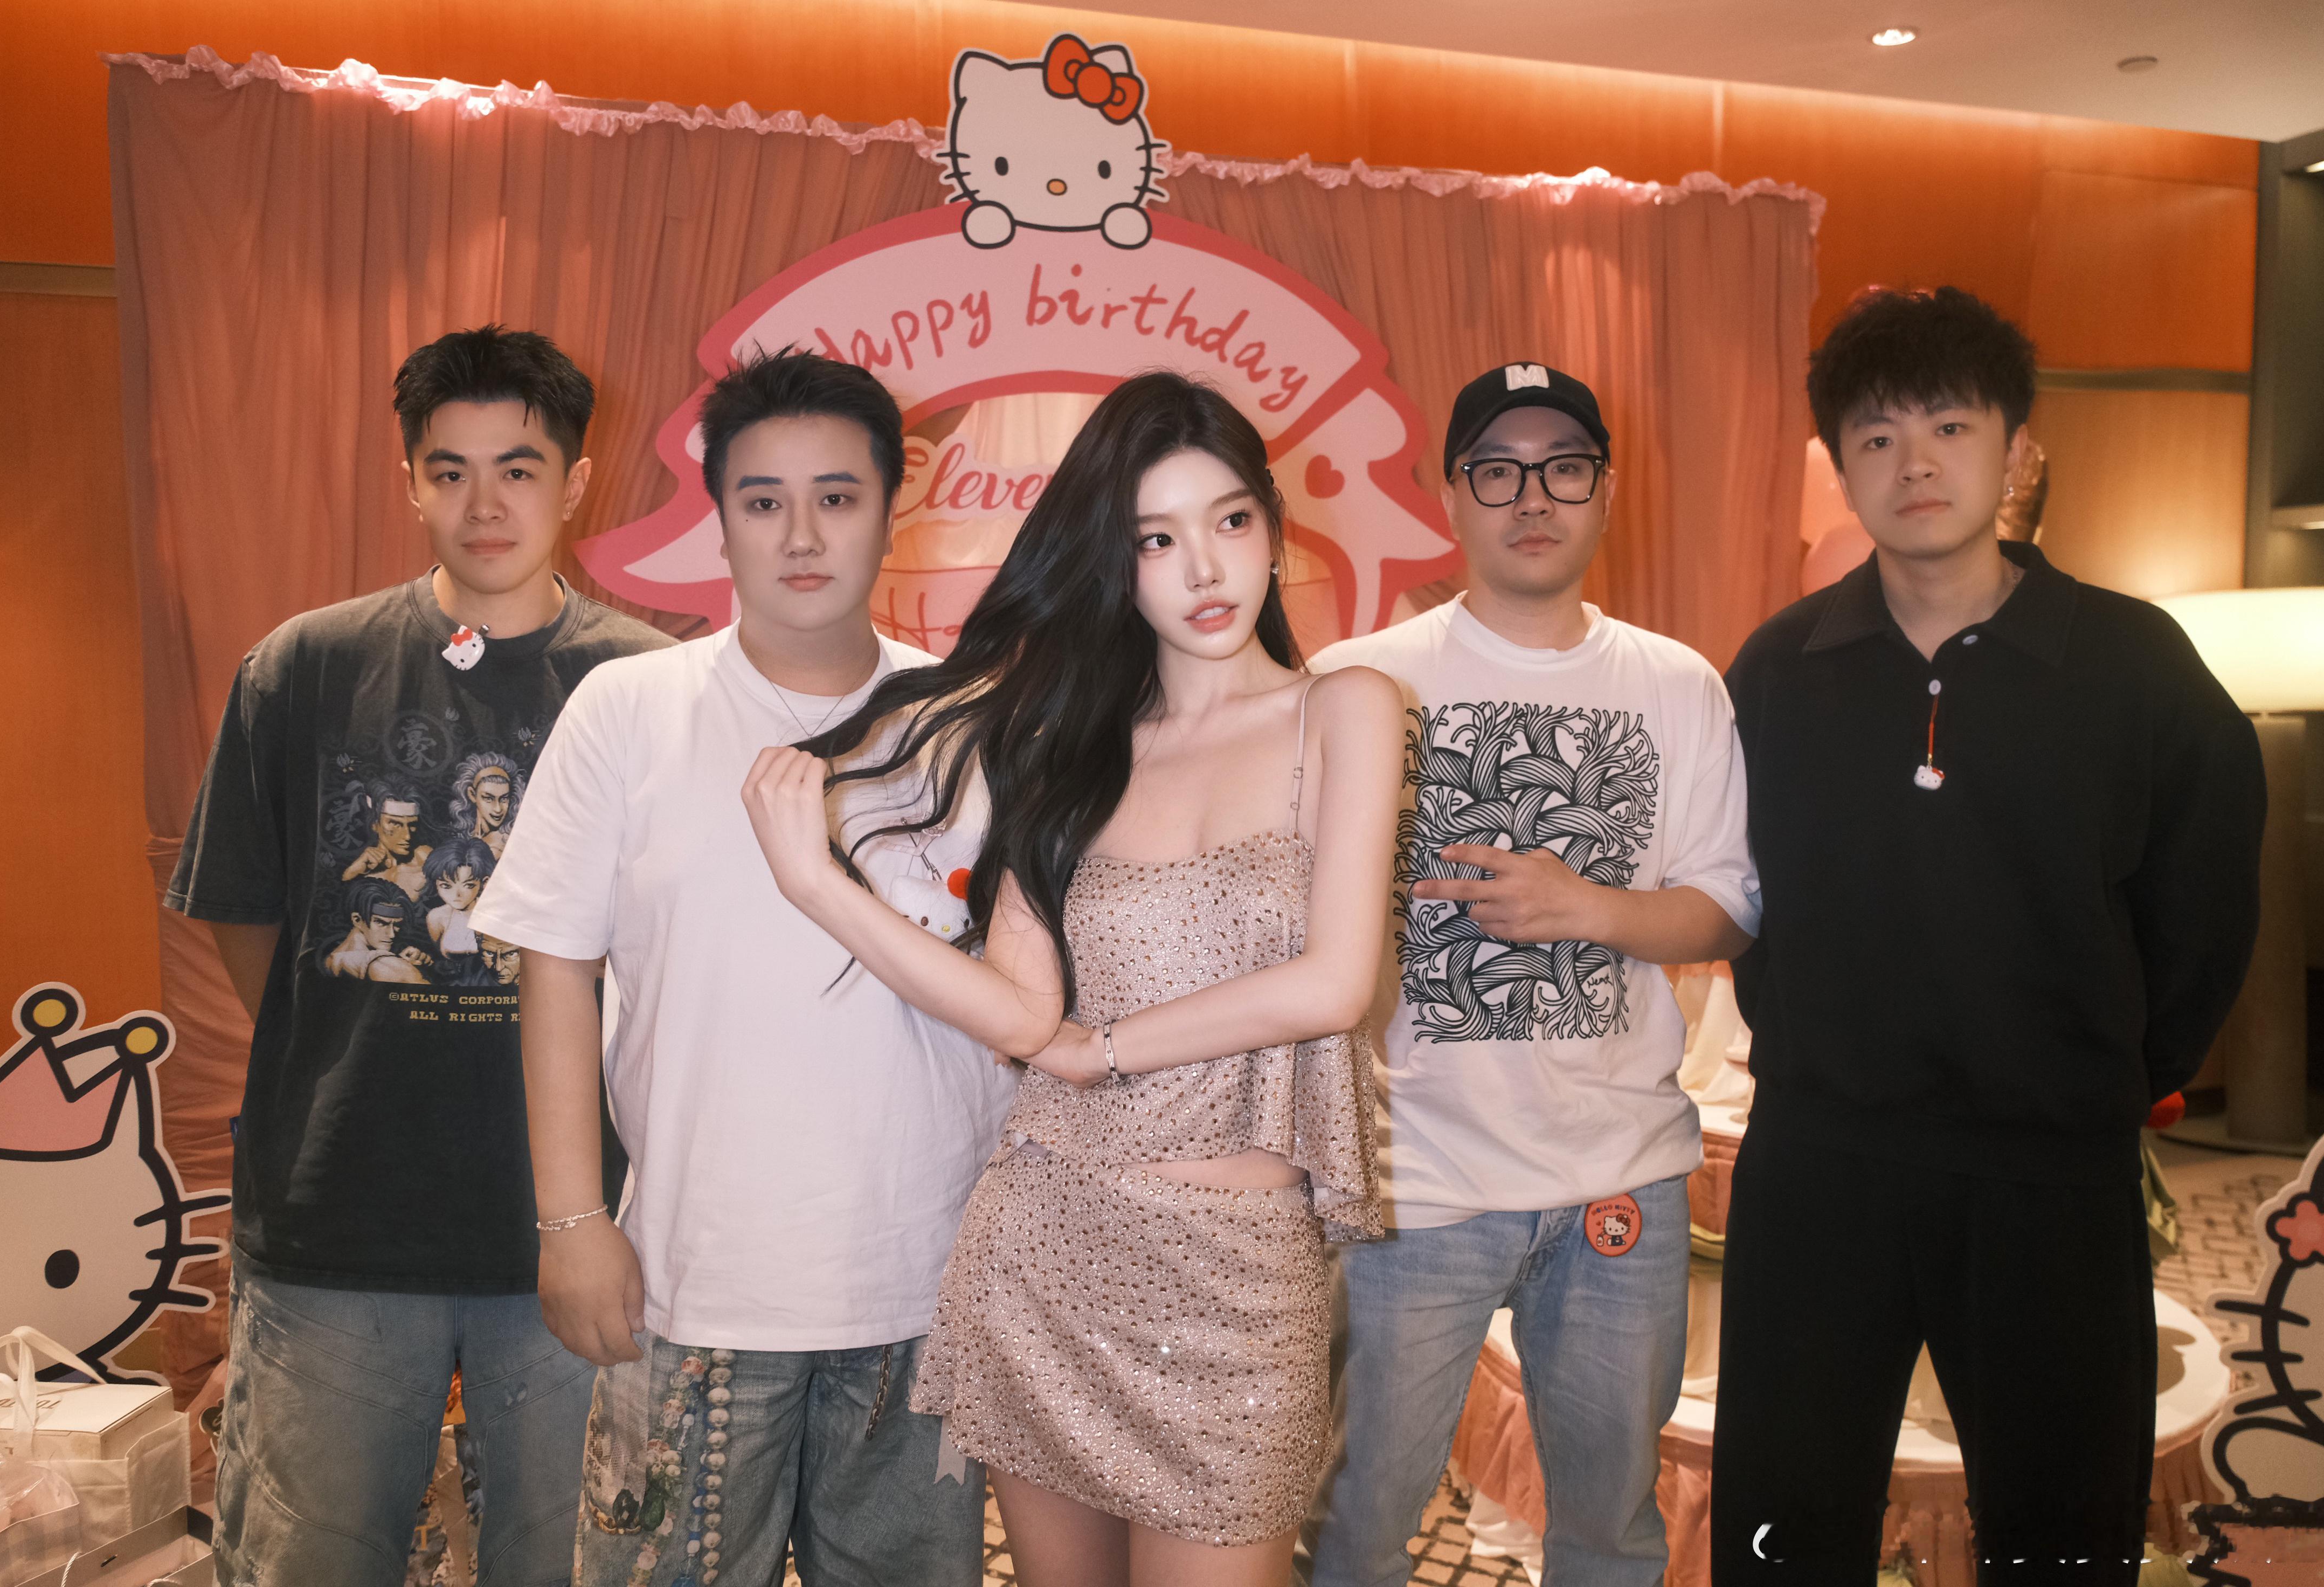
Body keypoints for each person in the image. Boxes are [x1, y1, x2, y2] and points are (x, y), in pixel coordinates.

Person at [739, 371, 1402, 1586]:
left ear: (1273, 528)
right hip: (1048, 1244)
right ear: (1115, 560)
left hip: (1238, 1275)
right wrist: (817, 886)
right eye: (1156, 538)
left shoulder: (1344, 710)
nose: (1204, 567)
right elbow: (1018, 1010)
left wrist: (1106, 1047)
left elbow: (1335, 982)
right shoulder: (1066, 748)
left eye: (1230, 520)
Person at [1710, 287, 2266, 1580]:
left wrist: (2114, 1068)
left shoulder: (2133, 662)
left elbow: (2207, 900)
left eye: (1950, 427)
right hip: (1823, 1161)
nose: (1915, 464)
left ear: (2015, 448)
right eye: (1877, 436)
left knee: (2064, 1527)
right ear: (1840, 464)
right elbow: (1742, 892)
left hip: (2050, 1168)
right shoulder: (1780, 667)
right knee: (1785, 1521)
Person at [469, 350, 1012, 1586]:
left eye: (838, 496)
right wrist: (572, 1221)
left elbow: (1025, 998)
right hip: (694, 1289)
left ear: (893, 508)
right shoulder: (629, 709)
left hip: (927, 1292)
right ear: (719, 519)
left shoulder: (972, 725)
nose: (801, 534)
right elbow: (555, 970)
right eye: (764, 501)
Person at [165, 324, 672, 1586]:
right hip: (339, 1221)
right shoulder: (305, 667)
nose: (484, 504)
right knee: (308, 1564)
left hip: (582, 1232)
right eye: (450, 470)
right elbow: (247, 920)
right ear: (410, 482)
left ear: (577, 480)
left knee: (579, 1569)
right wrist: (359, 1028)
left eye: (518, 468)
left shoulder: (654, 689)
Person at [1297, 362, 1760, 1586]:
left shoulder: (1677, 683)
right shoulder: (1359, 677)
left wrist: (1586, 908)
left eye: (1564, 467)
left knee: (1610, 1531)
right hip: (1410, 1179)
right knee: (1354, 1525)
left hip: (1621, 1177)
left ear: (1606, 491)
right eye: (1496, 471)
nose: (1532, 496)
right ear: (1451, 496)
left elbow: (1729, 905)